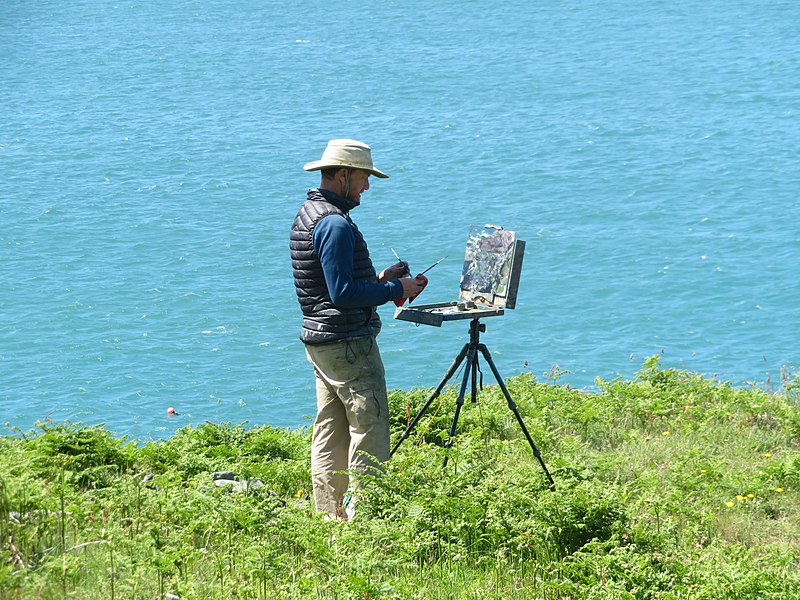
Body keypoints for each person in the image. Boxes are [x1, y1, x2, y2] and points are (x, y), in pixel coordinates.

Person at [290, 139, 425, 519]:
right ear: (344, 174)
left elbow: (328, 285)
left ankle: (329, 517)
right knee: (371, 426)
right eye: (364, 177)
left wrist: (379, 280)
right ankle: (368, 520)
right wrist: (397, 289)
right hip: (348, 345)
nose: (367, 186)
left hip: (322, 341)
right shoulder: (335, 223)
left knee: (330, 431)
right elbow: (343, 293)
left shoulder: (310, 213)